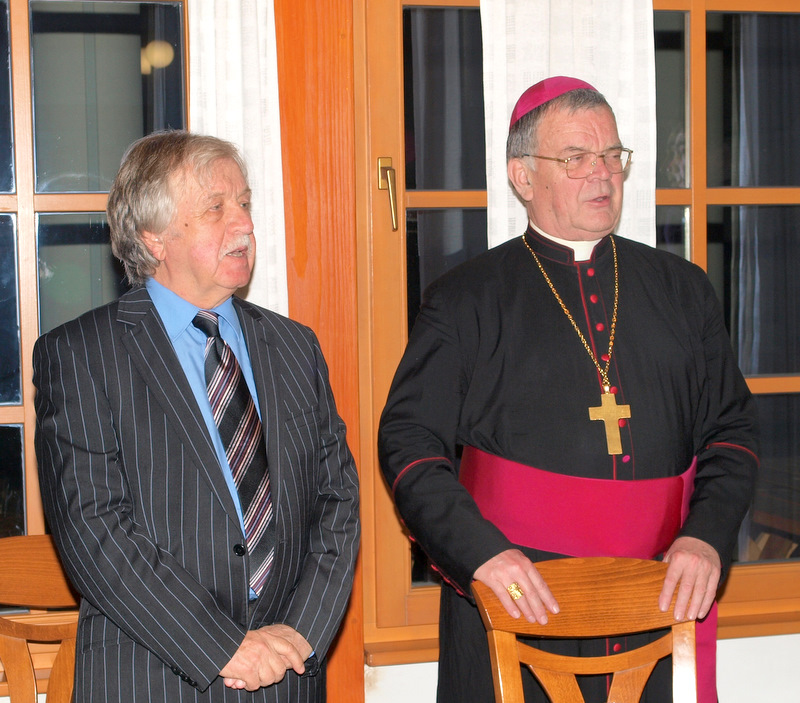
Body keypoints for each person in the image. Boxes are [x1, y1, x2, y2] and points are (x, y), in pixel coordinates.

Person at [378, 76, 758, 703]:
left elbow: (732, 432)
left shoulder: (683, 289)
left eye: (612, 154)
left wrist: (705, 536)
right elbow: (409, 444)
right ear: (523, 177)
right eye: (576, 157)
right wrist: (482, 556)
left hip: (655, 599)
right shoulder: (466, 299)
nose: (602, 173)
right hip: (519, 602)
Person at [34, 131, 360, 702]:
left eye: (245, 204)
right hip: (154, 677)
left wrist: (301, 632)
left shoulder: (294, 346)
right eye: (216, 208)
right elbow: (94, 532)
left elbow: (338, 502)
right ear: (153, 236)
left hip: (285, 676)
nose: (245, 225)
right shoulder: (81, 355)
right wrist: (222, 646)